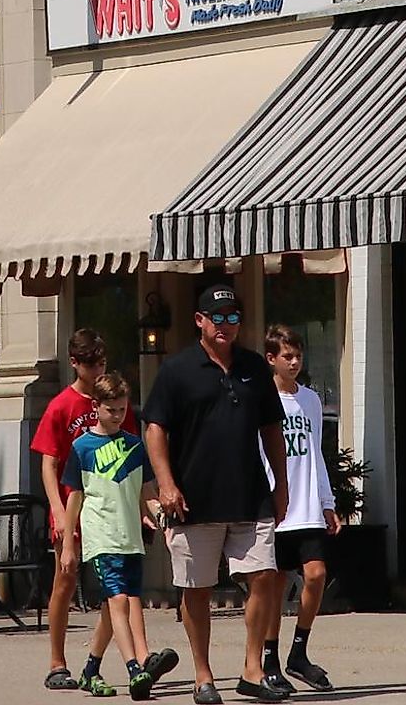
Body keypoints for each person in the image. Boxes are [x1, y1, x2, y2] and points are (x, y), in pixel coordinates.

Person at [144, 284, 289, 705]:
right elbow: (155, 428)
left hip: (250, 494)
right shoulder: (176, 370)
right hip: (194, 499)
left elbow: (272, 430)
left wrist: (282, 485)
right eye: (218, 318)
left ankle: (251, 668)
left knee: (264, 577)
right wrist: (166, 484)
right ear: (200, 322)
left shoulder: (254, 368)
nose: (226, 325)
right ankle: (203, 675)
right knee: (197, 589)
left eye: (233, 317)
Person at [63, 374, 178, 702]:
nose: (116, 415)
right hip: (101, 536)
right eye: (110, 409)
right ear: (95, 406)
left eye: (122, 409)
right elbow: (75, 497)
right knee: (118, 603)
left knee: (112, 611)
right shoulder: (82, 448)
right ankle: (133, 668)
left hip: (130, 537)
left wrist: (159, 516)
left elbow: (147, 491)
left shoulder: (134, 446)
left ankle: (90, 670)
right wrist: (69, 544)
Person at [34, 327, 131, 691]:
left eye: (102, 362)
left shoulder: (113, 401)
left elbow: (129, 449)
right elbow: (48, 463)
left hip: (109, 505)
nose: (97, 369)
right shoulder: (62, 405)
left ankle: (103, 659)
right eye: (90, 363)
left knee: (116, 583)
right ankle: (57, 661)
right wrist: (58, 511)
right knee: (66, 576)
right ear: (74, 363)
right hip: (72, 504)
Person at [259, 326, 340, 692]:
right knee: (274, 585)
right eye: (286, 356)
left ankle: (299, 650)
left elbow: (317, 453)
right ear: (271, 359)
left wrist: (327, 503)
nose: (293, 362)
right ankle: (270, 657)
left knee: (316, 574)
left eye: (298, 356)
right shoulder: (262, 400)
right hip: (276, 507)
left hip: (306, 505)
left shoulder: (310, 400)